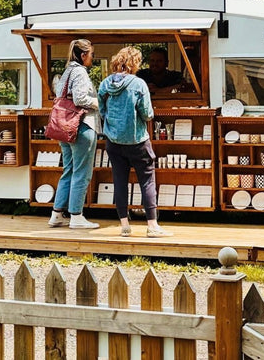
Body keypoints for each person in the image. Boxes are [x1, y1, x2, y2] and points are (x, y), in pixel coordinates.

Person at [98, 46, 172, 238]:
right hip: (137, 140)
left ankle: (124, 225)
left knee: (120, 181)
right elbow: (147, 114)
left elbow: (102, 110)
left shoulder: (105, 84)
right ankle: (152, 225)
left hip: (113, 141)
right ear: (134, 63)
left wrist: (113, 124)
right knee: (147, 181)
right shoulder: (138, 84)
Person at [48, 39, 101, 229]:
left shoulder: (67, 72)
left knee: (68, 170)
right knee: (82, 172)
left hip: (65, 127)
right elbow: (80, 99)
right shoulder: (79, 72)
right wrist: (99, 102)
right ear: (83, 55)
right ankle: (76, 216)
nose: (92, 58)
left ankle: (57, 214)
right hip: (81, 126)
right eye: (91, 55)